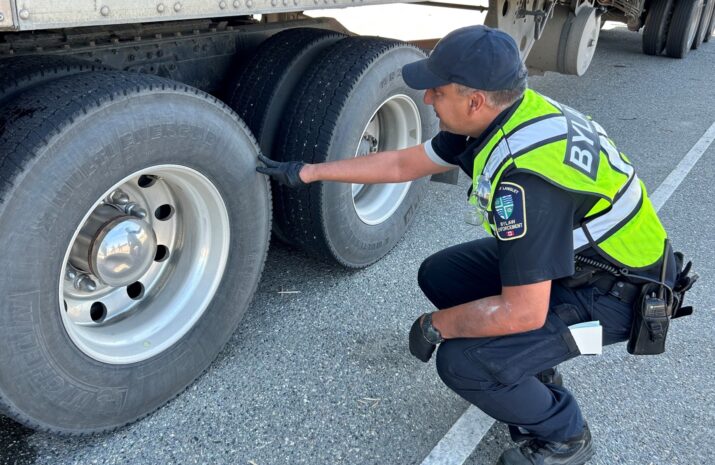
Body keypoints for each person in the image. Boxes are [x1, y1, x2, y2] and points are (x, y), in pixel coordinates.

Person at [256, 25, 681, 465]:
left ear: (474, 100)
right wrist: (310, 172)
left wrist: (436, 324)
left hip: (617, 294)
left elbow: (522, 311)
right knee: (442, 275)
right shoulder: (507, 115)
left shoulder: (527, 180)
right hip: (580, 263)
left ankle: (564, 436)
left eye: (436, 92)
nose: (426, 100)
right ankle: (530, 361)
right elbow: (405, 161)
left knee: (463, 362)